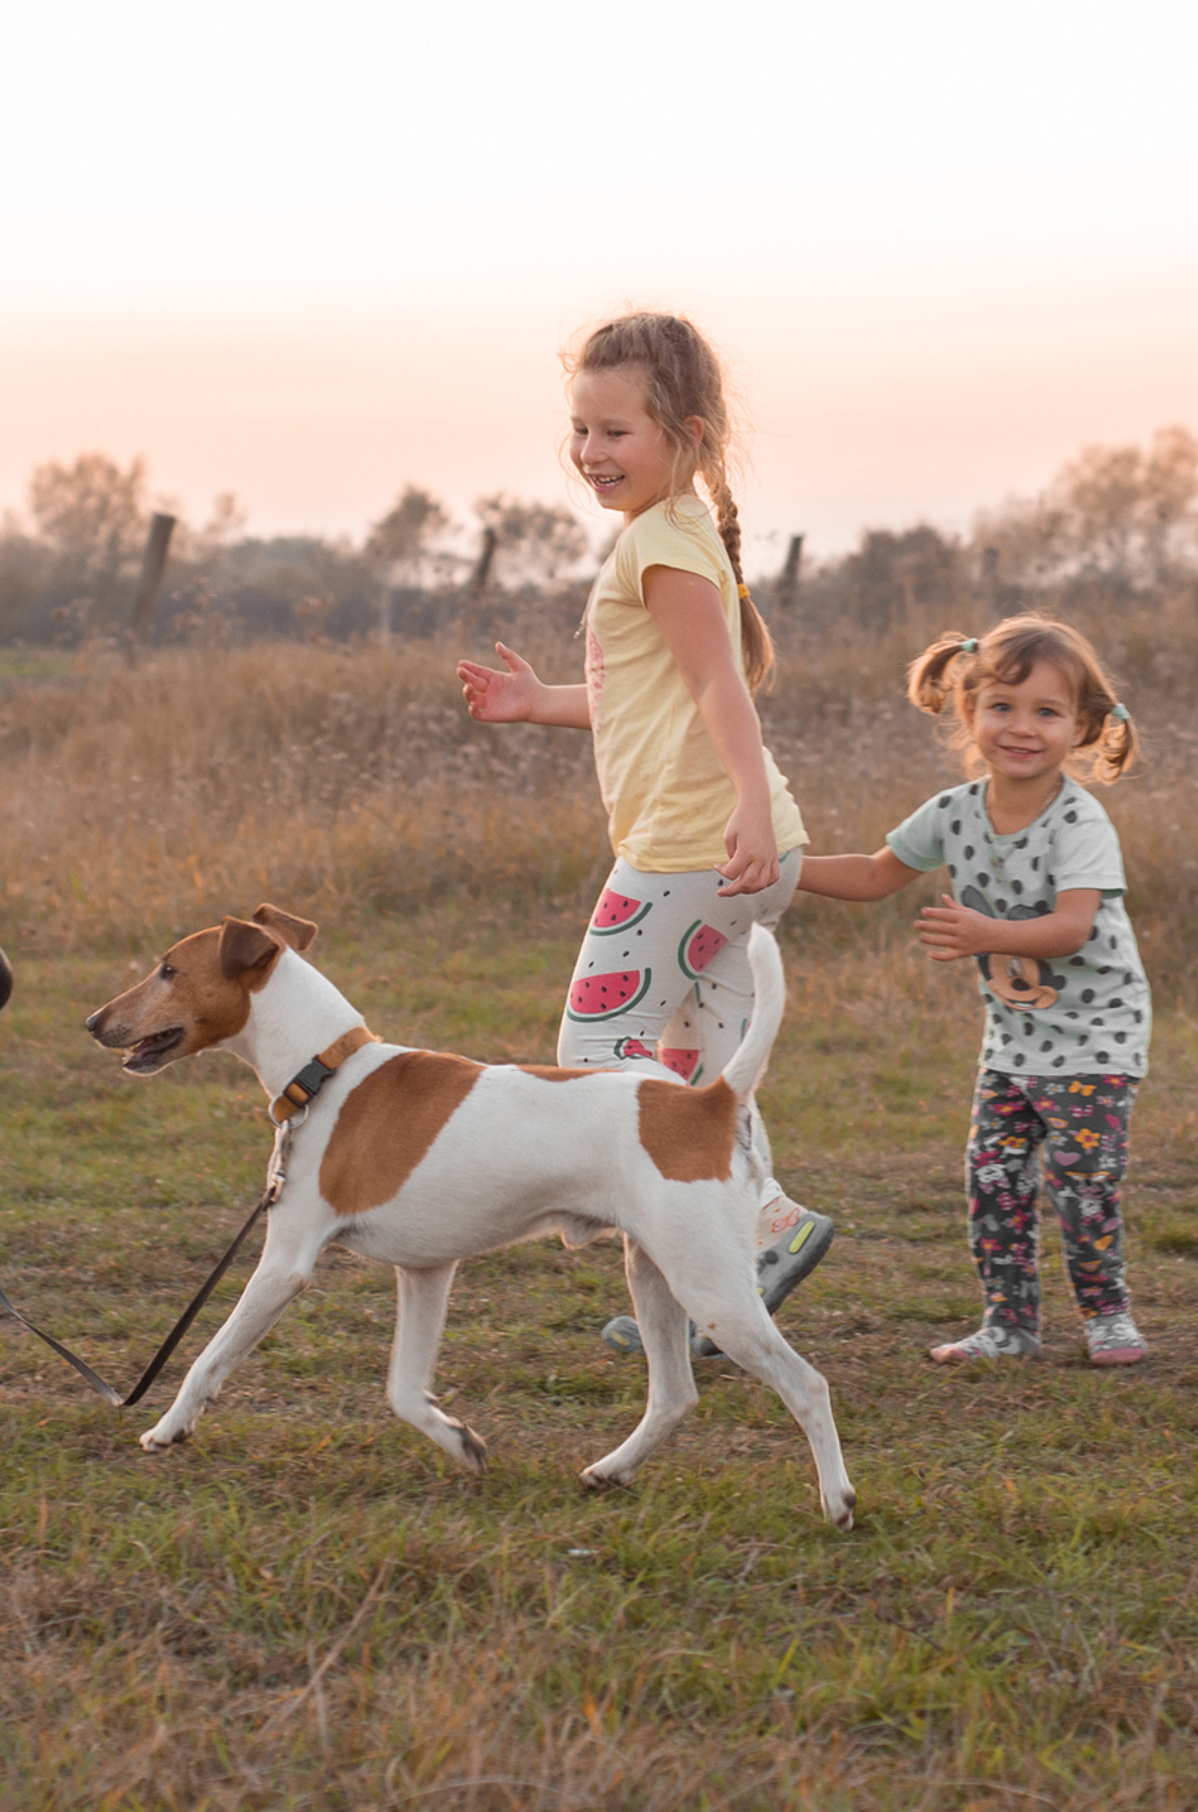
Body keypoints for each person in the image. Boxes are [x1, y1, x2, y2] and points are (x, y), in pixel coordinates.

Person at [456, 311, 836, 1354]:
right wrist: (540, 702)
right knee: (700, 1073)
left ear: (689, 434)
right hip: (737, 854)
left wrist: (746, 808)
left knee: (596, 1050)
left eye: (616, 432)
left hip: (690, 851)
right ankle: (750, 1240)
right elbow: (653, 697)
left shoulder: (661, 549)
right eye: (580, 430)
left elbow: (721, 684)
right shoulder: (670, 541)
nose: (590, 453)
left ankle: (752, 1227)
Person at [800, 617, 1149, 1368]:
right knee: (993, 1177)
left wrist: (985, 933)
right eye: (1003, 707)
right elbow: (871, 874)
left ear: (1083, 727)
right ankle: (1009, 1325)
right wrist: (780, 864)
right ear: (970, 711)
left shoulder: (1080, 822)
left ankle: (1107, 1314)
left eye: (1047, 713)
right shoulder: (953, 812)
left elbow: (1072, 928)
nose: (1022, 728)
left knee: (1081, 1182)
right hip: (1014, 1041)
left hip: (1099, 1038)